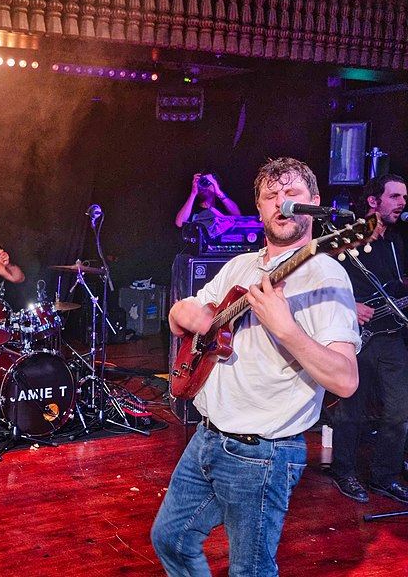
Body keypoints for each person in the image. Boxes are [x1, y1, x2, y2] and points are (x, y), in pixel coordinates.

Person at [152, 157, 360, 575]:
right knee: (170, 539)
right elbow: (183, 319)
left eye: (293, 194)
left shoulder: (325, 274)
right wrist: (181, 313)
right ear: (260, 210)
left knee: (250, 569)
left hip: (263, 453)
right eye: (271, 196)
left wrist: (287, 329)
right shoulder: (238, 266)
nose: (282, 202)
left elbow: (345, 379)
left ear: (314, 204)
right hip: (207, 438)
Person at [328, 174, 408, 505]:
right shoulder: (346, 240)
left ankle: (384, 476)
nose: (403, 203)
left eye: (405, 197)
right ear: (374, 201)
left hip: (390, 336)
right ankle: (343, 472)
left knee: (399, 412)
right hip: (353, 336)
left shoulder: (396, 243)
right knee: (351, 411)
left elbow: (396, 287)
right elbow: (322, 287)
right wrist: (351, 304)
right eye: (395, 196)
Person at [174, 171, 242, 228]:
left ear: (216, 185)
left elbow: (238, 215)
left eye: (207, 182)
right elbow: (179, 223)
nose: (203, 187)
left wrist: (219, 193)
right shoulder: (191, 208)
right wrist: (193, 193)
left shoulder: (222, 207)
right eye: (201, 182)